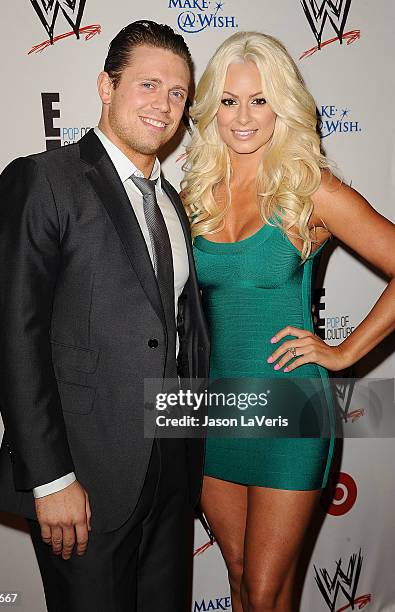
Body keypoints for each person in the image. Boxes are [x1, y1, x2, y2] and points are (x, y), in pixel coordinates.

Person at [0, 20, 209, 612]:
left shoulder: (171, 201)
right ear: (106, 87)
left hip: (168, 470)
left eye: (178, 93)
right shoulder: (43, 179)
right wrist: (50, 477)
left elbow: (178, 336)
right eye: (148, 85)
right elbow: (14, 338)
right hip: (82, 476)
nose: (164, 105)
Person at [181, 31, 395, 612]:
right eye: (228, 101)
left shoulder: (311, 190)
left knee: (267, 590)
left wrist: (345, 352)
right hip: (212, 408)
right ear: (210, 110)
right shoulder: (194, 194)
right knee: (240, 576)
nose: (243, 117)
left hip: (290, 407)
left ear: (284, 104)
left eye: (260, 99)